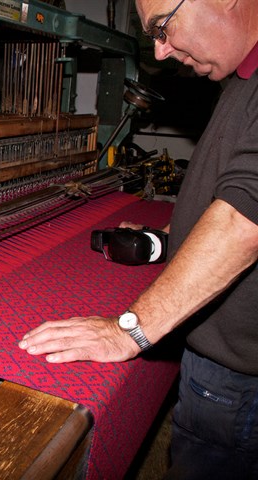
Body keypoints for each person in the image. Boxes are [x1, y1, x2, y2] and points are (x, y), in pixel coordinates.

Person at [18, 0, 258, 478]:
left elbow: (244, 222)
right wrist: (173, 236)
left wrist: (127, 330)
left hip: (238, 384)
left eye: (163, 27)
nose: (162, 51)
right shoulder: (245, 81)